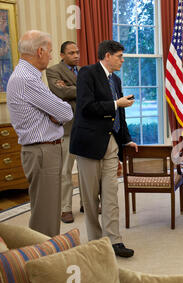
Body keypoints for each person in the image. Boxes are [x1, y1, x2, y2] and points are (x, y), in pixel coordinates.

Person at [70, 40, 137, 258]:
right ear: (107, 56)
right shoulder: (87, 74)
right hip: (88, 144)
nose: (122, 60)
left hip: (110, 143)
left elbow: (120, 115)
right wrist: (116, 104)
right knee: (91, 199)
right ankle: (96, 243)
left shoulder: (115, 79)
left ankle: (114, 241)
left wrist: (126, 140)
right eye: (119, 56)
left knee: (110, 195)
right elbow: (86, 108)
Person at [6, 30, 73, 237]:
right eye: (51, 51)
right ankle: (42, 259)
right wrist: (55, 113)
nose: (51, 56)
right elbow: (66, 111)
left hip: (44, 150)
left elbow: (59, 112)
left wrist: (54, 113)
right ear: (40, 51)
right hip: (43, 151)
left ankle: (43, 255)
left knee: (48, 210)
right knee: (46, 216)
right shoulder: (27, 79)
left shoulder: (26, 76)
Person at [46, 41, 82, 224]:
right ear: (62, 55)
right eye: (71, 53)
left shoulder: (84, 71)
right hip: (67, 128)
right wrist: (81, 90)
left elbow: (71, 91)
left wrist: (70, 89)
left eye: (77, 52)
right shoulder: (53, 71)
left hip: (85, 127)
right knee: (65, 171)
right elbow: (60, 93)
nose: (76, 55)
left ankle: (88, 202)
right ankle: (66, 208)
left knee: (86, 169)